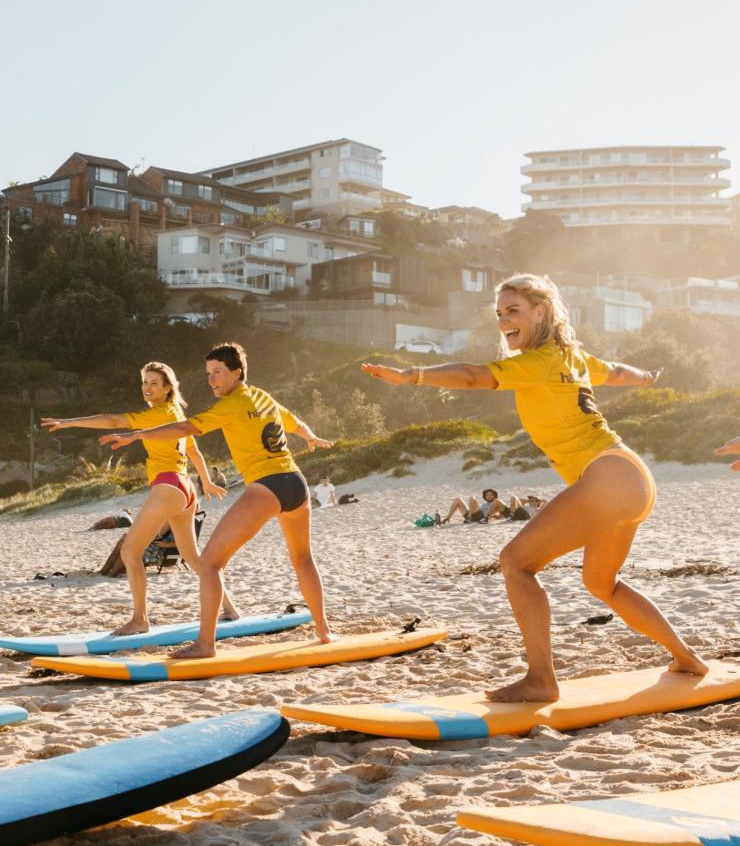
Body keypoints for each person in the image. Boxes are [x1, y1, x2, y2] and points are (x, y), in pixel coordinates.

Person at [363, 272, 707, 702]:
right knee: (602, 584)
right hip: (631, 475)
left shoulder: (537, 361)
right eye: (500, 314)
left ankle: (541, 679)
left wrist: (410, 375)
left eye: (514, 311)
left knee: (516, 562)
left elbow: (473, 377)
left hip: (607, 477)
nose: (504, 320)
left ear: (540, 312)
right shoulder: (572, 356)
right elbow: (615, 371)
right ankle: (687, 657)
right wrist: (643, 377)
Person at [100, 341, 335, 658]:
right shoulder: (262, 396)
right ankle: (324, 631)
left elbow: (185, 427)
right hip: (296, 483)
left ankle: (205, 644)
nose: (211, 380)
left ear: (237, 373)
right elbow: (294, 422)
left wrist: (140, 434)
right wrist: (311, 437)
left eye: (218, 373)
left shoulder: (231, 404)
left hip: (266, 486)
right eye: (209, 373)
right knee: (303, 558)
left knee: (210, 563)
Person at [41, 361, 239, 635]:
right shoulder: (176, 413)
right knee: (193, 558)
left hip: (169, 487)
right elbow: (194, 451)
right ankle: (229, 608)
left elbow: (113, 420)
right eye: (144, 382)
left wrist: (68, 422)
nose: (147, 387)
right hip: (186, 489)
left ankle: (140, 619)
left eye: (154, 383)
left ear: (168, 388)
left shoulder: (158, 413)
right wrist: (204, 481)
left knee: (130, 551)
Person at [440, 488, 508, 524]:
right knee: (457, 499)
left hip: (481, 516)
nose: (489, 496)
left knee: (472, 498)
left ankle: (469, 517)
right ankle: (447, 519)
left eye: (491, 495)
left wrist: (494, 516)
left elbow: (502, 515)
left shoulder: (496, 503)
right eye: (487, 495)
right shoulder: (484, 503)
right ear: (485, 497)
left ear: (494, 496)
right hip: (472, 514)